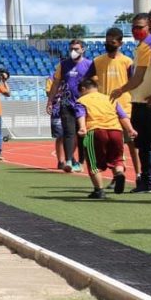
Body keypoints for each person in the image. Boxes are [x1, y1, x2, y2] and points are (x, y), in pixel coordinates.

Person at [111, 11, 151, 192]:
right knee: (144, 146)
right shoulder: (140, 48)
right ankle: (147, 183)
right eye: (133, 28)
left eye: (140, 27)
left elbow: (139, 77)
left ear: (150, 24)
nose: (136, 31)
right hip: (138, 103)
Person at [87, 27, 140, 184]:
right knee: (111, 144)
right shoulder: (98, 61)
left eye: (112, 42)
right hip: (105, 109)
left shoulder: (127, 62)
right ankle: (117, 175)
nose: (109, 44)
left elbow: (134, 82)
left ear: (120, 43)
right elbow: (86, 80)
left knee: (131, 143)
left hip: (125, 107)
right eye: (107, 41)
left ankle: (138, 175)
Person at [76, 78, 137, 199]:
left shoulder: (82, 100)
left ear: (83, 89)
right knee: (117, 158)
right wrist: (130, 129)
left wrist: (82, 127)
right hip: (116, 131)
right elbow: (122, 115)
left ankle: (99, 190)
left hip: (96, 131)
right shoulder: (110, 98)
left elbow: (81, 114)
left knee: (93, 162)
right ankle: (119, 173)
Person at [46, 39, 92, 173]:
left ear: (83, 49)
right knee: (68, 133)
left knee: (83, 134)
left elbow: (96, 85)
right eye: (71, 48)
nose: (73, 51)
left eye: (76, 48)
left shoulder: (89, 65)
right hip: (66, 104)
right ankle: (69, 160)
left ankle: (82, 161)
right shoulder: (63, 65)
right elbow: (55, 84)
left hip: (84, 105)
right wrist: (50, 101)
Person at [46, 71, 66, 169]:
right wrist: (59, 90)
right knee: (60, 136)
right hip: (57, 109)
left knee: (74, 135)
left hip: (72, 108)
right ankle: (61, 161)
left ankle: (71, 159)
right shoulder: (52, 77)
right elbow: (48, 92)